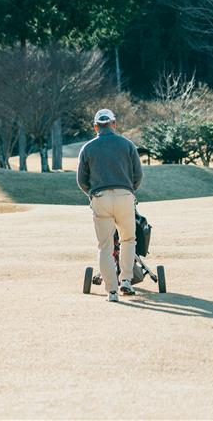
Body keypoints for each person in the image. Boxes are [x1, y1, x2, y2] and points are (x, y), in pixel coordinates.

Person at [77, 109, 143, 303]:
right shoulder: (127, 145)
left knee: (105, 246)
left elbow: (82, 180)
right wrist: (129, 191)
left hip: (100, 197)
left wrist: (93, 194)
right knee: (128, 240)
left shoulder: (88, 148)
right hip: (124, 196)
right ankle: (126, 281)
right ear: (114, 124)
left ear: (96, 126)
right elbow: (138, 176)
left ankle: (112, 291)